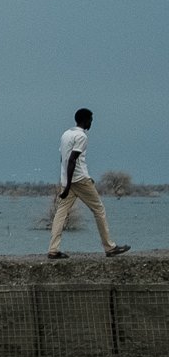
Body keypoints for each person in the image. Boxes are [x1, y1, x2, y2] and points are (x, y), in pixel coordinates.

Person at [49, 108, 130, 260]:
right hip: (79, 180)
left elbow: (63, 159)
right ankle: (109, 247)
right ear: (85, 120)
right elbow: (73, 160)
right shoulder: (81, 136)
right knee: (99, 209)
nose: (91, 122)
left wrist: (65, 181)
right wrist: (71, 184)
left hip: (68, 179)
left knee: (61, 213)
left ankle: (53, 249)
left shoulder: (66, 134)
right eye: (91, 120)